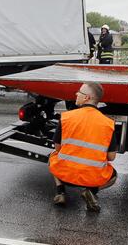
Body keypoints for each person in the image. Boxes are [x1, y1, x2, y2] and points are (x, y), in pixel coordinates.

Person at [49, 82, 118, 212]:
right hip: (92, 178)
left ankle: (60, 193)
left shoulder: (66, 118)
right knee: (114, 175)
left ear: (86, 98)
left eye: (79, 92)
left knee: (52, 155)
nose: (76, 94)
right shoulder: (108, 124)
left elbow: (58, 148)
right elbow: (111, 157)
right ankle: (91, 191)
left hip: (66, 175)